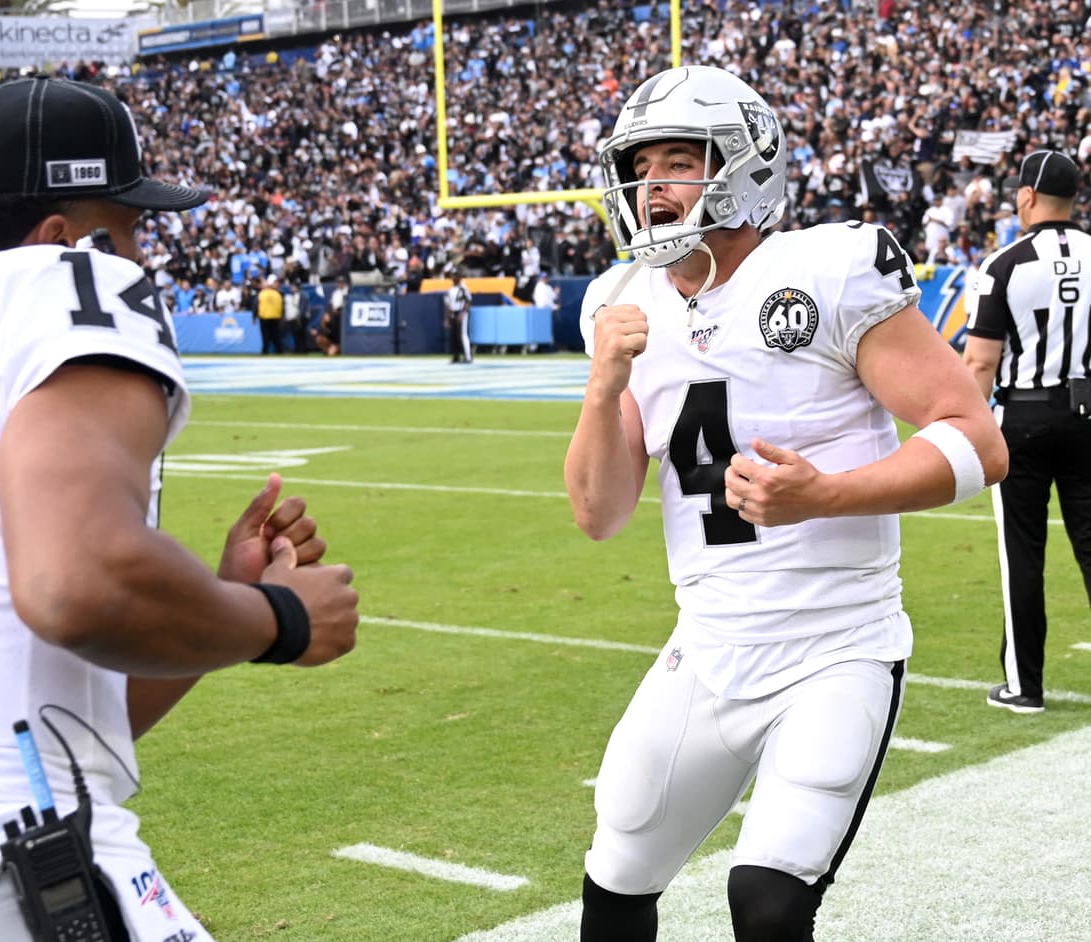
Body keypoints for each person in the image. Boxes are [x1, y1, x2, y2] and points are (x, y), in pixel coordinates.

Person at [0, 76, 360, 942]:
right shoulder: (57, 286)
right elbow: (74, 588)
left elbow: (56, 713)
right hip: (2, 866)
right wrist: (280, 617)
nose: (140, 255)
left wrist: (212, 603)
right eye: (130, 225)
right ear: (62, 239)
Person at [565, 66, 1007, 942]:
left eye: (678, 161)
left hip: (836, 647)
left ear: (743, 163)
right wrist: (602, 381)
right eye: (640, 164)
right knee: (615, 880)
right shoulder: (618, 304)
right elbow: (598, 513)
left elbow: (976, 439)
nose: (651, 187)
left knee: (765, 901)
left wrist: (824, 495)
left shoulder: (829, 269)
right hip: (711, 643)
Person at [963, 149, 1091, 715]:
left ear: (1026, 196)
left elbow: (980, 365)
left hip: (1025, 418)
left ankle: (1026, 685)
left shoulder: (1005, 263)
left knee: (1023, 553)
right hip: (1089, 415)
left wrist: (966, 428)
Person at [444, 270, 473, 363]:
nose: (453, 278)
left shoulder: (463, 288)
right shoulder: (451, 290)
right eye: (452, 276)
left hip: (461, 312)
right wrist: (447, 317)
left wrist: (463, 313)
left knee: (463, 335)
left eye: (455, 276)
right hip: (453, 313)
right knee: (454, 336)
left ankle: (468, 356)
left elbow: (468, 300)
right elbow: (448, 304)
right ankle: (456, 355)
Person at [257, 273, 285, 354]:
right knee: (270, 337)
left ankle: (275, 351)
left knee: (274, 337)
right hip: (268, 317)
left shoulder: (277, 293)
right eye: (275, 282)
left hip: (271, 318)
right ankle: (271, 351)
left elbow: (282, 306)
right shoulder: (267, 293)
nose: (277, 284)